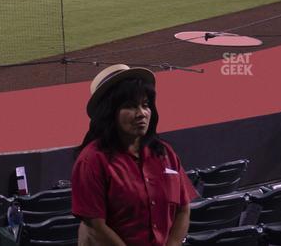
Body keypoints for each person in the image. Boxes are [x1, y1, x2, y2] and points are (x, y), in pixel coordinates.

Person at [72, 64, 195, 246]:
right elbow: (95, 226)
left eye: (145, 105)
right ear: (109, 113)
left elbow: (183, 209)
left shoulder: (165, 152)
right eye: (130, 106)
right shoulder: (91, 160)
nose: (141, 114)